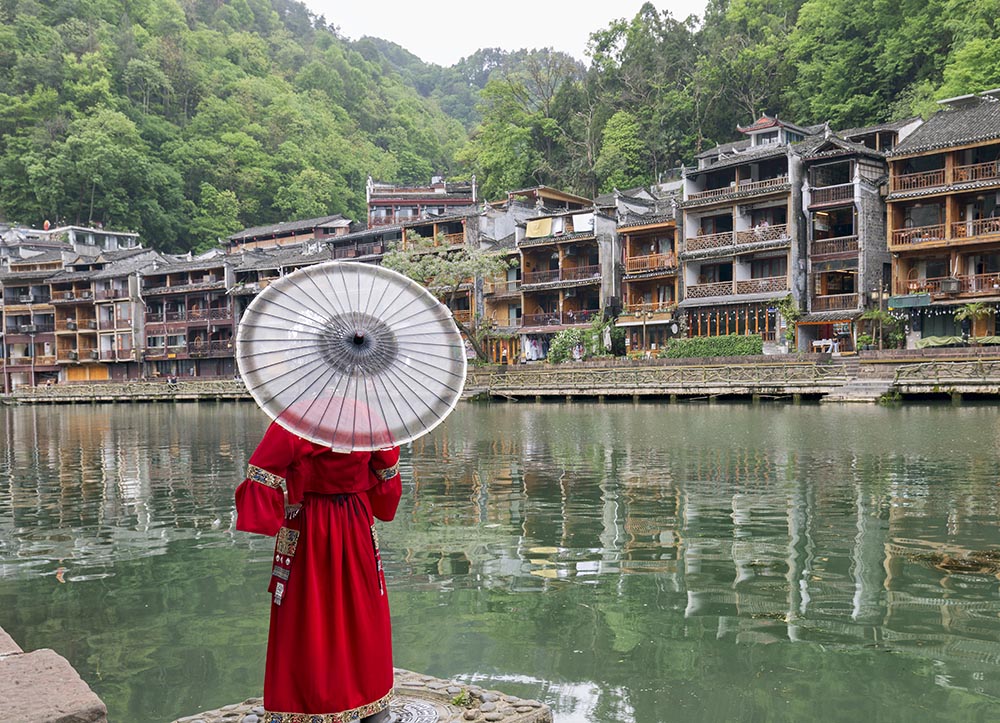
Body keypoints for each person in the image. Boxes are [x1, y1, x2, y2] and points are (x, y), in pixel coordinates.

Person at [235, 419, 402, 723]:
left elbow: (260, 477)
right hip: (356, 521)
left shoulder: (297, 419)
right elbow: (387, 482)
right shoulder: (369, 417)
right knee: (363, 610)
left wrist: (284, 499)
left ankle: (309, 706)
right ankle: (373, 704)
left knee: (307, 614)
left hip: (310, 526)